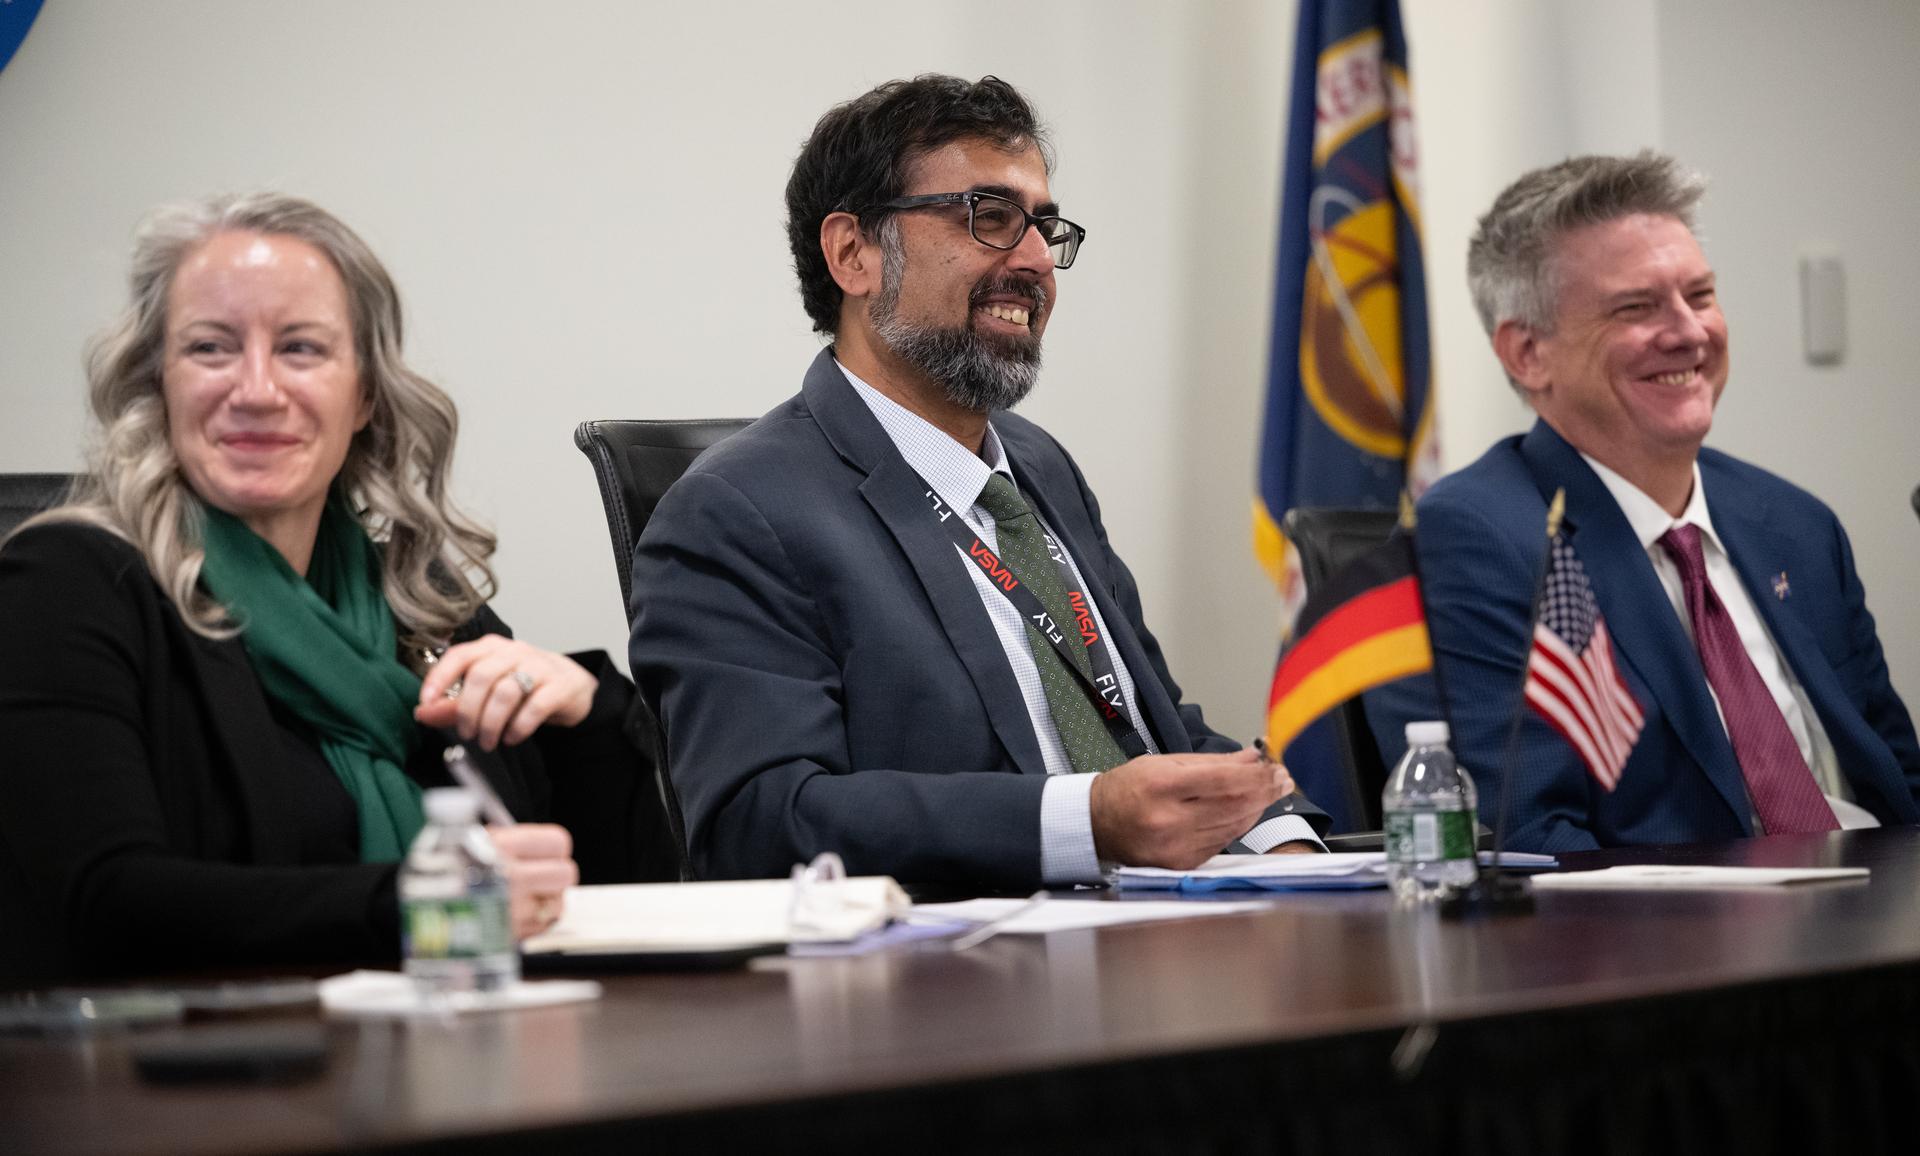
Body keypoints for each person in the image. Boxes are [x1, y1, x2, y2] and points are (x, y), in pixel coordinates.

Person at [629, 75, 1327, 888]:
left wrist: (1282, 844)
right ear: (853, 254)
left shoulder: (1039, 467)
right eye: (989, 218)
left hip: (1168, 929)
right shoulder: (736, 512)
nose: (1034, 260)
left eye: (1044, 225)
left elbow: (1147, 726)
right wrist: (1084, 822)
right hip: (959, 981)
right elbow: (761, 822)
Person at [0, 194, 638, 984]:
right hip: (196, 1088)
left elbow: (608, 897)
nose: (258, 389)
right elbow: (107, 903)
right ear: (156, 380)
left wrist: (589, 716)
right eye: (210, 348)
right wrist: (421, 905)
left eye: (300, 349)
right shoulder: (70, 584)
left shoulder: (418, 599)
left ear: (365, 393)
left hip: (468, 1068)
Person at [1366, 152, 1920, 853]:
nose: (1690, 332)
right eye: (1636, 307)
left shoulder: (1795, 524)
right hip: (1684, 942)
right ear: (1527, 353)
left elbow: (1899, 781)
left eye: (1702, 295)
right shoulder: (1475, 543)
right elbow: (1530, 843)